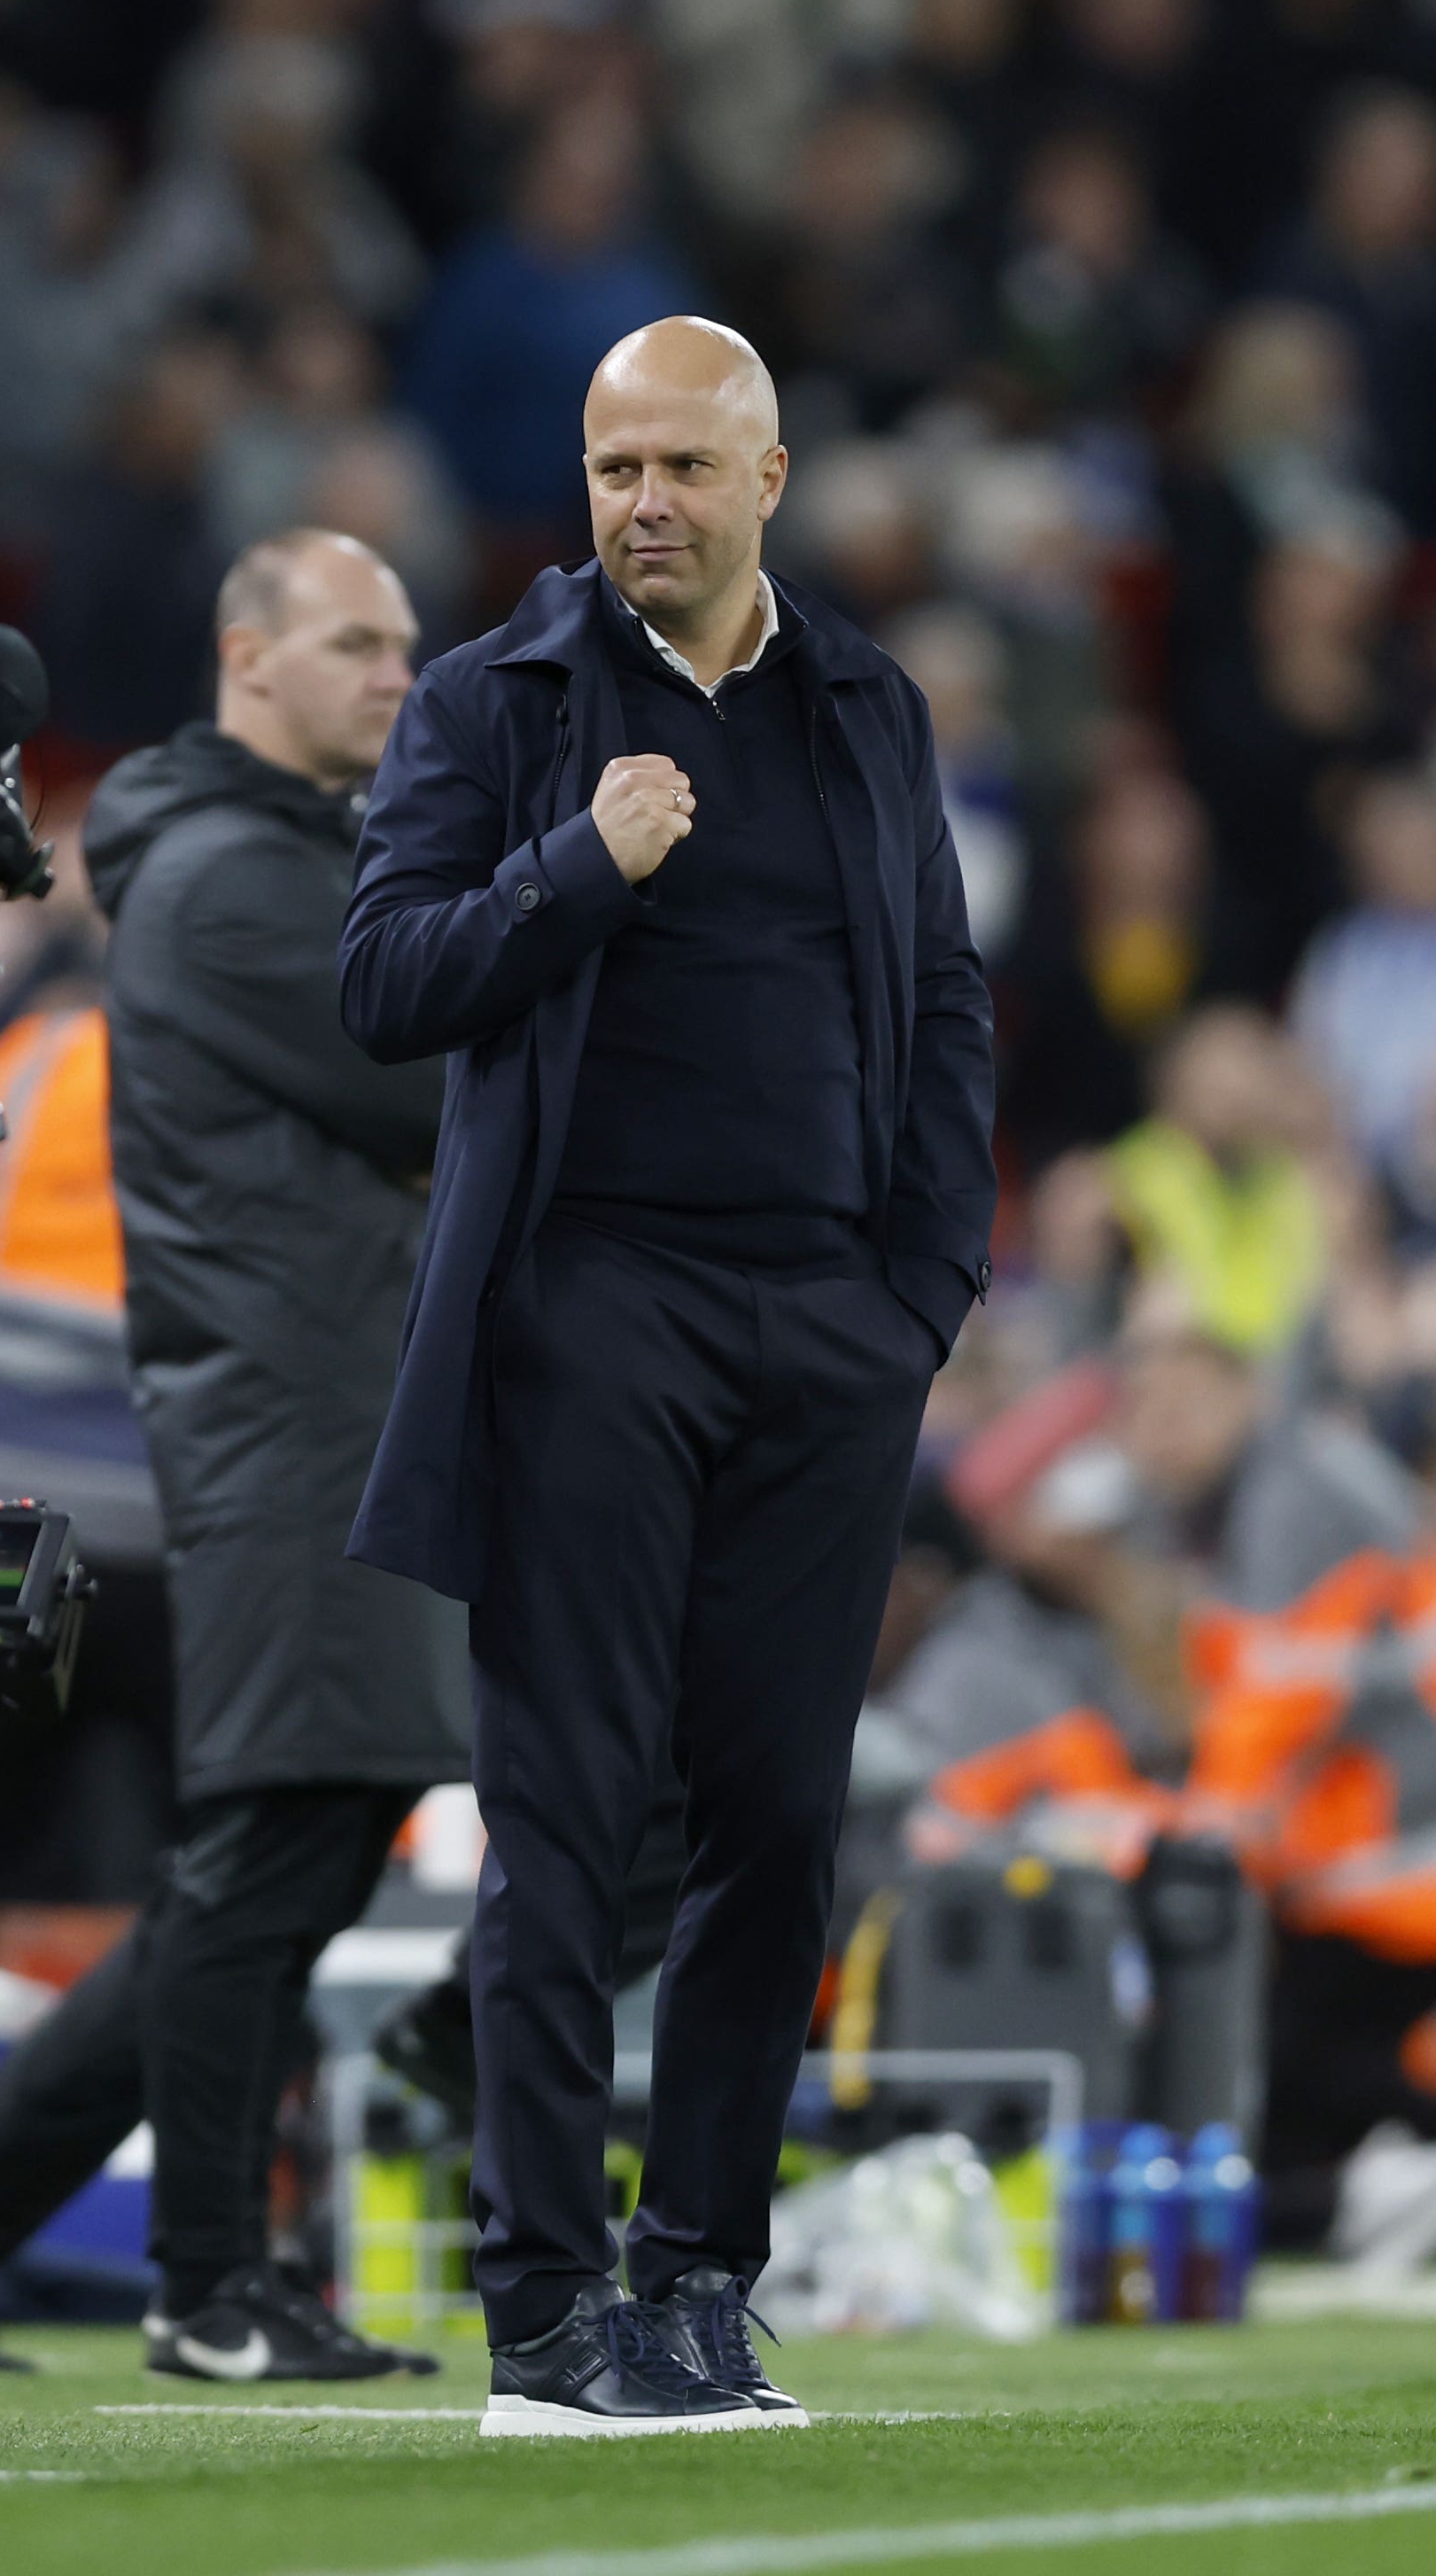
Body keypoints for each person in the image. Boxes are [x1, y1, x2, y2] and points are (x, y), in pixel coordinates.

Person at [340, 317, 997, 2433]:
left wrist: (924, 1291)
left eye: (687, 470)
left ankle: (700, 2278)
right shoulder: (494, 702)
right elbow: (383, 979)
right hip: (590, 1306)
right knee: (565, 1811)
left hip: (829, 1324)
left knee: (782, 1819)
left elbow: (949, 1002)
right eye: (618, 466)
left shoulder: (867, 706)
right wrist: (577, 866)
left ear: (772, 480)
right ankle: (543, 2309)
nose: (646, 504)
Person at [0, 528, 465, 2385]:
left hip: (330, 1413)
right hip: (278, 1424)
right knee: (271, 1851)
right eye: (356, 642)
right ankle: (202, 2274)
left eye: (409, 645)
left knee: (288, 1849)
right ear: (244, 655)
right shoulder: (224, 878)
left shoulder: (285, 860)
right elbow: (433, 1073)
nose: (396, 676)